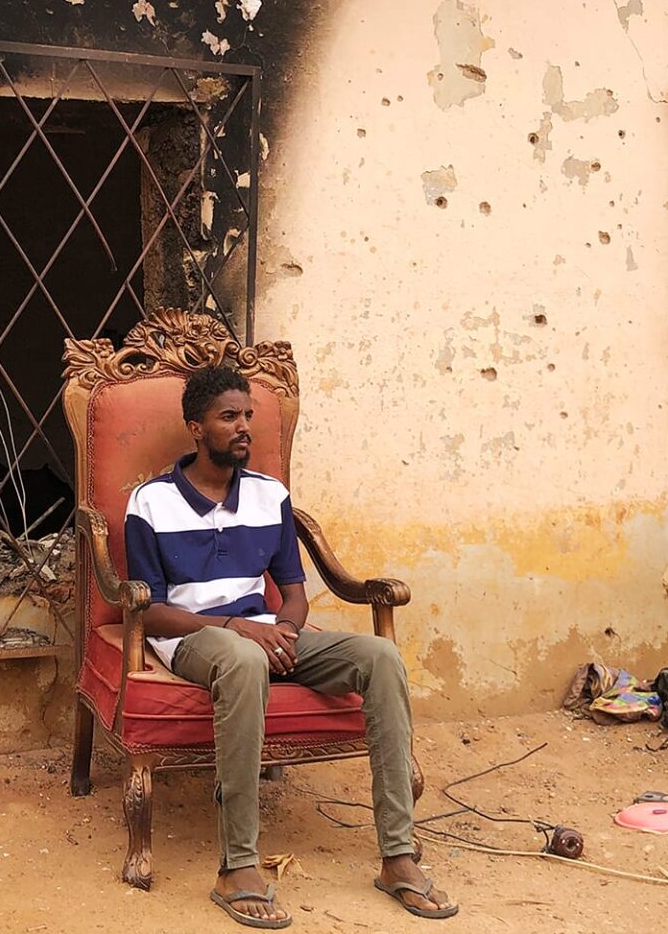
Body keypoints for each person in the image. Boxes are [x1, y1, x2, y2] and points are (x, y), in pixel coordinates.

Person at [123, 366, 457, 928]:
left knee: (380, 658)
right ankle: (238, 866)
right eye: (229, 417)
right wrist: (238, 627)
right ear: (196, 428)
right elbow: (148, 609)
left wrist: (284, 632)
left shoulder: (269, 495)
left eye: (248, 416)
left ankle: (398, 856)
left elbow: (294, 593)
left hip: (265, 633)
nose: (244, 427)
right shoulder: (150, 502)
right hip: (192, 637)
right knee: (243, 658)